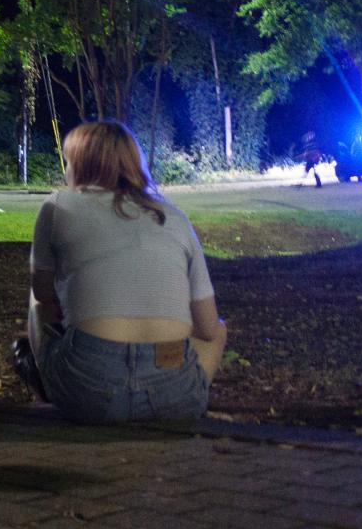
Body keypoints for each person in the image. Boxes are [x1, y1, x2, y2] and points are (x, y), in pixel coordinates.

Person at [23, 120, 226, 424]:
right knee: (219, 330)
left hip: (88, 389)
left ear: (81, 165)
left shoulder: (56, 206)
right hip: (172, 395)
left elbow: (43, 294)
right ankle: (186, 389)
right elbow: (208, 328)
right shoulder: (173, 215)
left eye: (68, 161)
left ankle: (51, 376)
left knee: (35, 298)